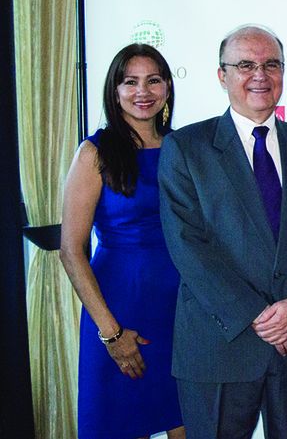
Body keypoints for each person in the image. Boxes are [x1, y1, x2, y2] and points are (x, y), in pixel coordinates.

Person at [157, 25, 287, 439]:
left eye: (271, 64)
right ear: (221, 76)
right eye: (245, 65)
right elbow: (187, 246)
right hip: (220, 346)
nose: (260, 75)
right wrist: (259, 317)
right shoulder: (186, 148)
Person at [60, 43, 184, 439]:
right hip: (119, 307)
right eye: (130, 82)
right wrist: (111, 334)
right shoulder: (94, 152)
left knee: (189, 423)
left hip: (182, 313)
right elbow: (71, 250)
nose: (142, 91)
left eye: (153, 80)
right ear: (114, 91)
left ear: (167, 87)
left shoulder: (184, 148)